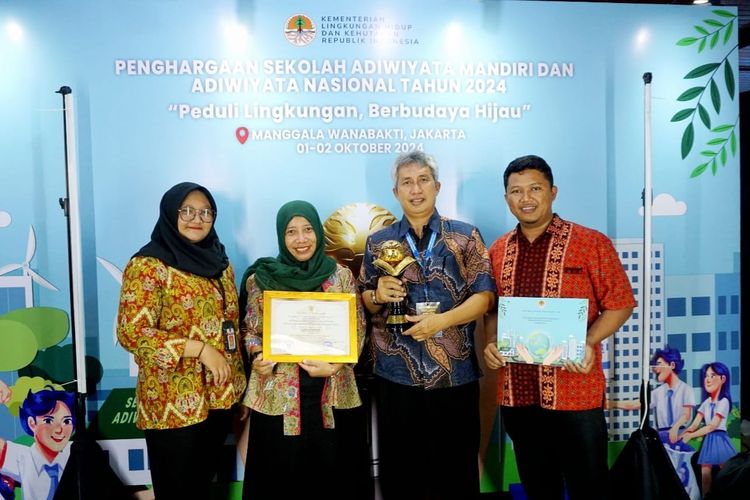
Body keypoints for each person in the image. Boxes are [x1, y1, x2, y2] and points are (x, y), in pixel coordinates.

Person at [483, 155, 635, 500]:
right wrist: (492, 340)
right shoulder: (497, 250)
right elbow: (493, 308)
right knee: (538, 486)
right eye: (516, 191)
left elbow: (621, 302)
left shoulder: (590, 242)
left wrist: (589, 340)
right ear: (507, 198)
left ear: (552, 192)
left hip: (575, 390)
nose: (526, 198)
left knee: (589, 485)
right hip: (517, 392)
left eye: (535, 189)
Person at [360, 151, 496, 499]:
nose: (415, 189)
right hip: (396, 373)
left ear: (437, 187)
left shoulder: (465, 237)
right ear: (395, 192)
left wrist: (442, 320)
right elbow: (365, 300)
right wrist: (378, 292)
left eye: (422, 180)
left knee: (456, 469)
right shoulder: (378, 241)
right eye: (407, 182)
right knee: (402, 472)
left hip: (454, 373)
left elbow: (484, 297)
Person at [116, 182, 246, 499]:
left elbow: (231, 328)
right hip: (171, 404)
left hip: (217, 400)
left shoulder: (221, 265)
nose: (196, 219)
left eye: (205, 212)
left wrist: (237, 389)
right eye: (186, 210)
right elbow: (132, 332)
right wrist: (200, 351)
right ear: (170, 213)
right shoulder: (148, 265)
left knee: (202, 487)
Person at [239, 200, 367, 500]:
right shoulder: (262, 278)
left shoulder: (340, 276)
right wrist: (258, 355)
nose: (301, 239)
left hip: (332, 390)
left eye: (308, 229)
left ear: (318, 232)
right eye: (291, 232)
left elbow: (357, 328)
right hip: (278, 393)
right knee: (279, 478)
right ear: (281, 238)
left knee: (333, 478)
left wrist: (335, 365)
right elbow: (250, 329)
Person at [0, 388, 74, 500]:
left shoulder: (78, 453)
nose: (59, 429)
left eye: (67, 421)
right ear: (32, 423)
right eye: (48, 421)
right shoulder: (22, 458)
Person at [681, 362, 736, 496]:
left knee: (725, 472)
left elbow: (712, 426)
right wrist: (684, 434)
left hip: (720, 439)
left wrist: (691, 436)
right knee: (705, 474)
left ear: (723, 379)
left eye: (712, 375)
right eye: (706, 376)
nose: (708, 379)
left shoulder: (724, 401)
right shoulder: (706, 403)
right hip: (709, 441)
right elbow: (694, 424)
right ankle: (706, 496)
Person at [651, 346, 695, 444]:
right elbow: (640, 404)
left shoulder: (686, 390)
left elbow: (686, 415)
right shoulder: (658, 392)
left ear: (672, 365)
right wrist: (612, 403)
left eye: (659, 364)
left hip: (679, 433)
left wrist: (675, 427)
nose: (656, 369)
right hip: (662, 435)